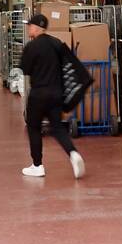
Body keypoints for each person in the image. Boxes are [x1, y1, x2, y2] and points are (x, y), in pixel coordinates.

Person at [19, 13, 86, 179]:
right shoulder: (57, 43)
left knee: (34, 127)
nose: (28, 28)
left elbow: (25, 70)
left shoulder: (31, 47)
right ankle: (73, 154)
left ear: (36, 27)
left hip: (38, 94)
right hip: (56, 93)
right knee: (57, 127)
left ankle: (37, 165)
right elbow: (69, 64)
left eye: (30, 26)